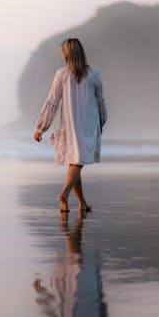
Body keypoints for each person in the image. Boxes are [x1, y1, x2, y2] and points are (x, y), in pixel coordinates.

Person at [33, 37, 107, 214]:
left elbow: (52, 102)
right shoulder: (94, 74)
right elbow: (100, 101)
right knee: (78, 162)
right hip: (87, 125)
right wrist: (102, 120)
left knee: (75, 162)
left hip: (70, 125)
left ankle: (82, 203)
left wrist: (41, 127)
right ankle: (64, 194)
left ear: (67, 55)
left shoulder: (62, 75)